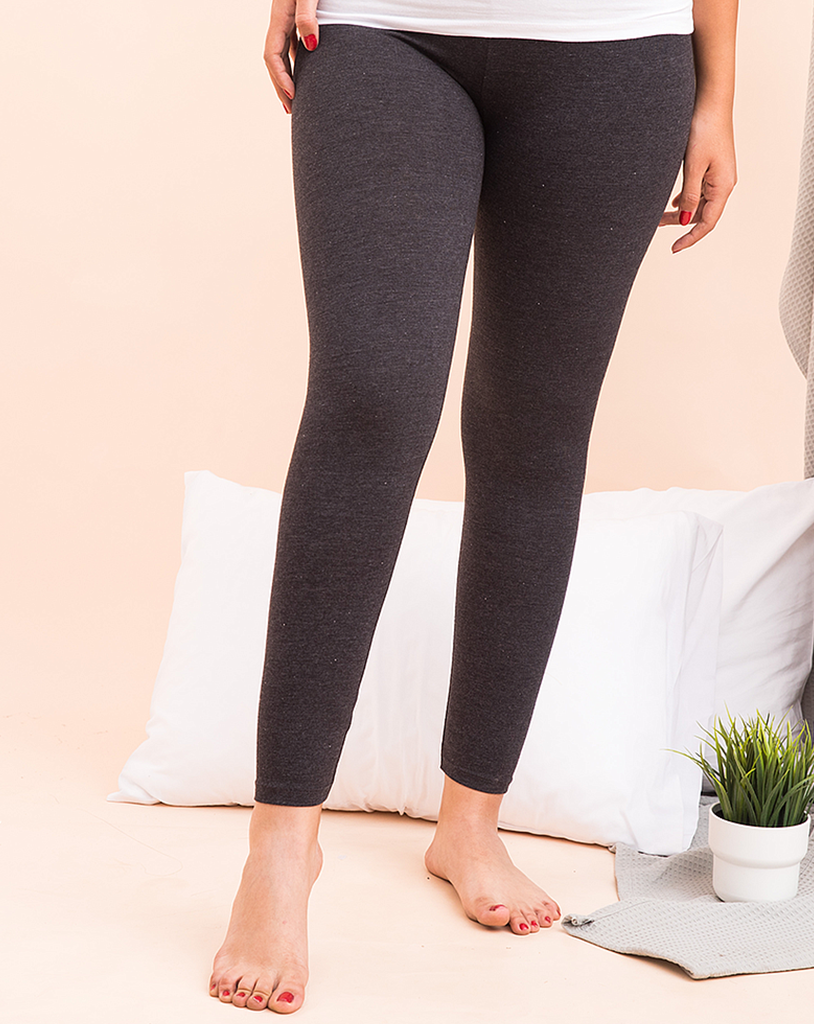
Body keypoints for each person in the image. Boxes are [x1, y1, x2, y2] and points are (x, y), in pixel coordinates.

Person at [210, 0, 738, 1012]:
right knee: (367, 406)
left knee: (535, 433)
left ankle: (471, 823)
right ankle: (280, 844)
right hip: (383, 27)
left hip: (615, 51)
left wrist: (716, 96)